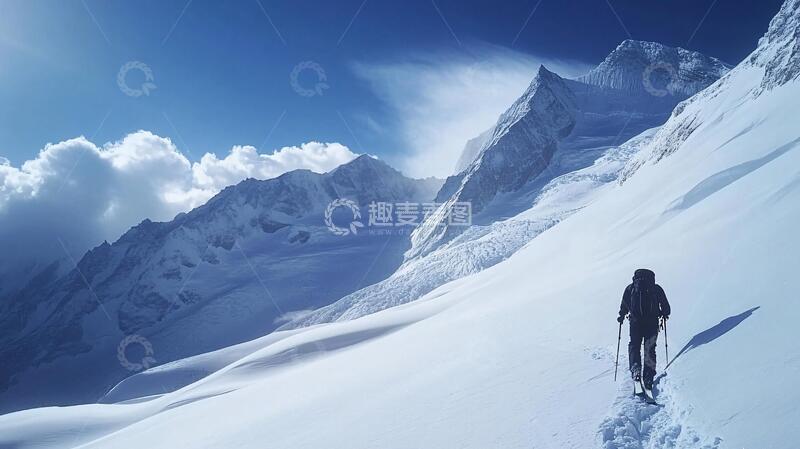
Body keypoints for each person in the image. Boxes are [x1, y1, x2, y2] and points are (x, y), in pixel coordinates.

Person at [617, 268, 670, 390]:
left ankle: (635, 368)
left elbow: (624, 304)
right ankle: (648, 376)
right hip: (652, 323)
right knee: (649, 348)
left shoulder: (630, 288)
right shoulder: (656, 289)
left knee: (634, 345)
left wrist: (621, 316)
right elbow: (666, 307)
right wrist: (663, 313)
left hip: (635, 323)